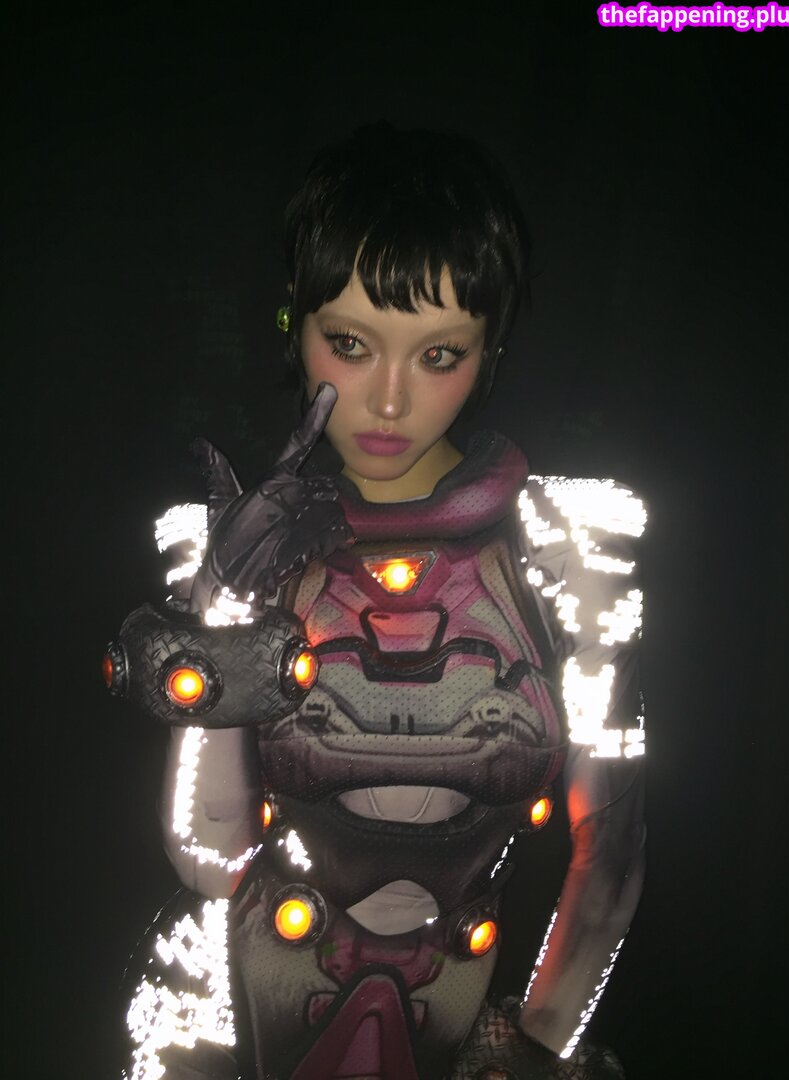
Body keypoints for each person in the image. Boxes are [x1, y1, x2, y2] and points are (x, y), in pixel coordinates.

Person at [111, 123, 647, 1080]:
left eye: (439, 355)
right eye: (352, 344)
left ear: (490, 350)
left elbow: (610, 849)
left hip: (459, 1008)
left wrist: (536, 1043)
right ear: (295, 323)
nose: (390, 402)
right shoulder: (230, 544)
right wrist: (224, 606)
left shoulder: (568, 549)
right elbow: (207, 856)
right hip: (237, 1005)